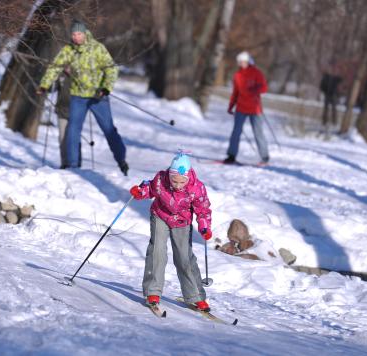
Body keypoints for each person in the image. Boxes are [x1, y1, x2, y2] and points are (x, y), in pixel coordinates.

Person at [37, 21, 128, 175]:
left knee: (108, 129)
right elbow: (55, 67)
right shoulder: (69, 50)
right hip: (78, 96)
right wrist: (44, 85)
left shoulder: (97, 48)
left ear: (85, 33)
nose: (76, 37)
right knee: (73, 129)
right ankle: (73, 166)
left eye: (79, 34)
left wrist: (105, 88)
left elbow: (111, 69)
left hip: (97, 97)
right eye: (73, 34)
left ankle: (121, 159)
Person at [129, 151, 212, 311]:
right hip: (160, 216)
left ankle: (195, 296)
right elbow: (150, 189)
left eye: (182, 182)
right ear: (169, 175)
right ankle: (152, 291)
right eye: (175, 181)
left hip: (182, 221)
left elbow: (203, 210)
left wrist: (204, 226)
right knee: (157, 251)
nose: (178, 185)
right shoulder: (161, 179)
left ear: (188, 178)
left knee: (184, 257)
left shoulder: (197, 188)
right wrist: (140, 192)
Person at [224, 51, 269, 165]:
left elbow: (264, 88)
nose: (242, 64)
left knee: (258, 133)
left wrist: (255, 89)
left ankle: (265, 157)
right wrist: (231, 106)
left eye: (244, 61)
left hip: (255, 108)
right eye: (240, 62)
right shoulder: (238, 75)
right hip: (241, 107)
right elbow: (235, 92)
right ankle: (231, 155)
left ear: (248, 61)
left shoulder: (256, 73)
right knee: (236, 132)